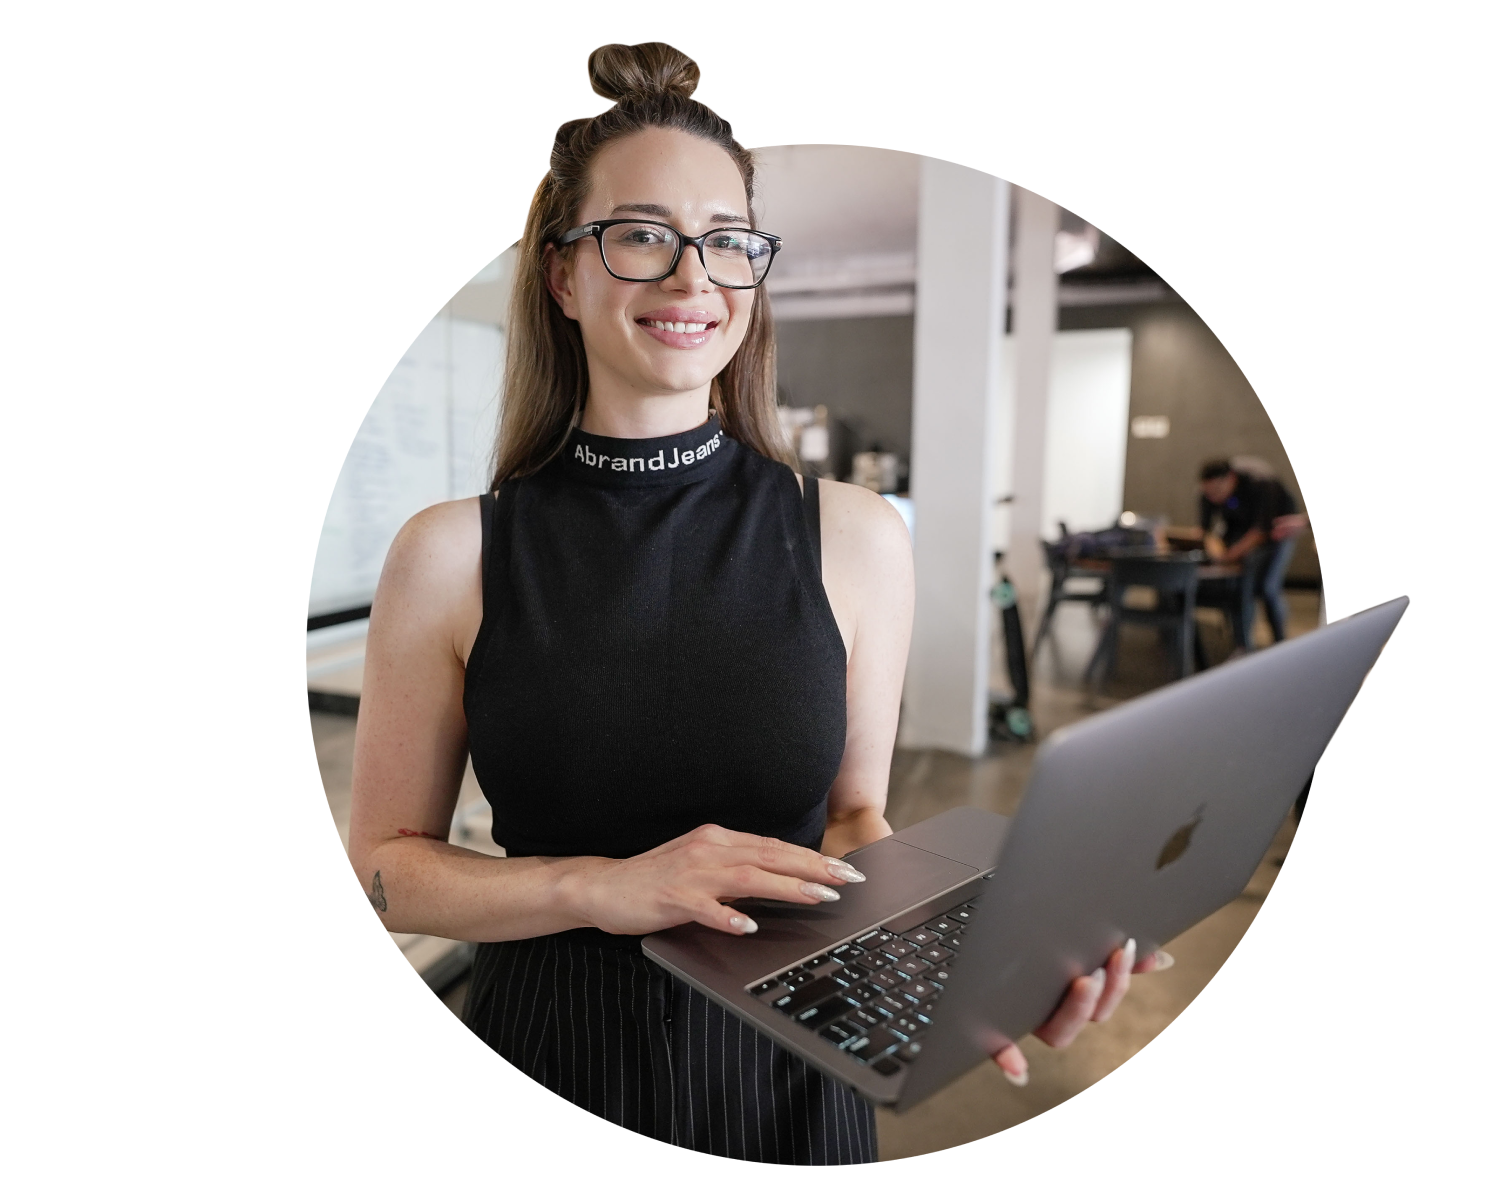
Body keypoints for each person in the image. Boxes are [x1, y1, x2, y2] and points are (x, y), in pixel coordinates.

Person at [347, 42, 1163, 1167]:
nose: (694, 280)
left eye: (727, 243)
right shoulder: (452, 555)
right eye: (641, 236)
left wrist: (981, 960)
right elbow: (383, 873)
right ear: (563, 274)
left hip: (793, 1081)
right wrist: (601, 886)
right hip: (547, 1076)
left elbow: (850, 824)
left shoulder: (856, 536)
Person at [1198, 459, 1309, 648]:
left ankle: (1281, 643)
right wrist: (1216, 551)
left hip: (1278, 529)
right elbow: (1205, 531)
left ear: (1230, 479)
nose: (1214, 498)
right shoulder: (1207, 493)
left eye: (1217, 491)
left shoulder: (1260, 483)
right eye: (1209, 493)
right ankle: (1243, 645)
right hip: (1242, 528)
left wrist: (1229, 556)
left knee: (1267, 587)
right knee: (1241, 585)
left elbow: (1260, 531)